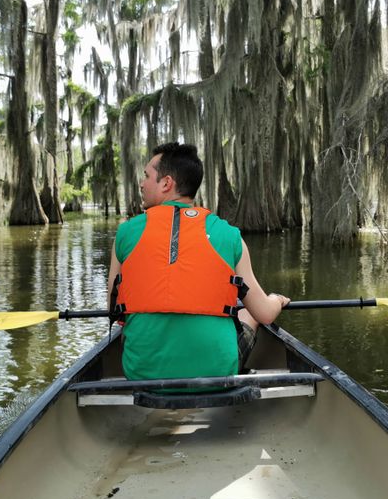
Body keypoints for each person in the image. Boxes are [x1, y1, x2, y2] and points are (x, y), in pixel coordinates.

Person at [107, 141, 290, 381]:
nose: (141, 184)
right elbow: (265, 314)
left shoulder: (126, 232)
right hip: (216, 373)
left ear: (166, 183)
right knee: (250, 313)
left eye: (146, 176)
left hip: (141, 374)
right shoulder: (229, 235)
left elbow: (113, 309)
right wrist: (276, 299)